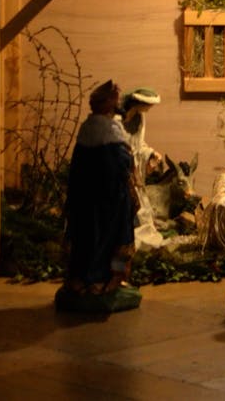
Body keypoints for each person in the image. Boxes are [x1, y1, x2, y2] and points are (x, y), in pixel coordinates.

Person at [55, 79, 141, 314]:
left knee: (86, 239)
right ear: (109, 105)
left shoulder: (87, 130)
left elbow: (77, 169)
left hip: (85, 200)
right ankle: (103, 281)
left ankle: (80, 279)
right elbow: (121, 164)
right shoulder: (110, 131)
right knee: (111, 240)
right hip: (110, 202)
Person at [120, 87, 165, 251]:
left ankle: (140, 236)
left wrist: (151, 153)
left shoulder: (140, 118)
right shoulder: (118, 120)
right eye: (148, 104)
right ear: (138, 102)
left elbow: (139, 145)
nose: (149, 108)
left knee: (139, 203)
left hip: (134, 168)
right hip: (120, 167)